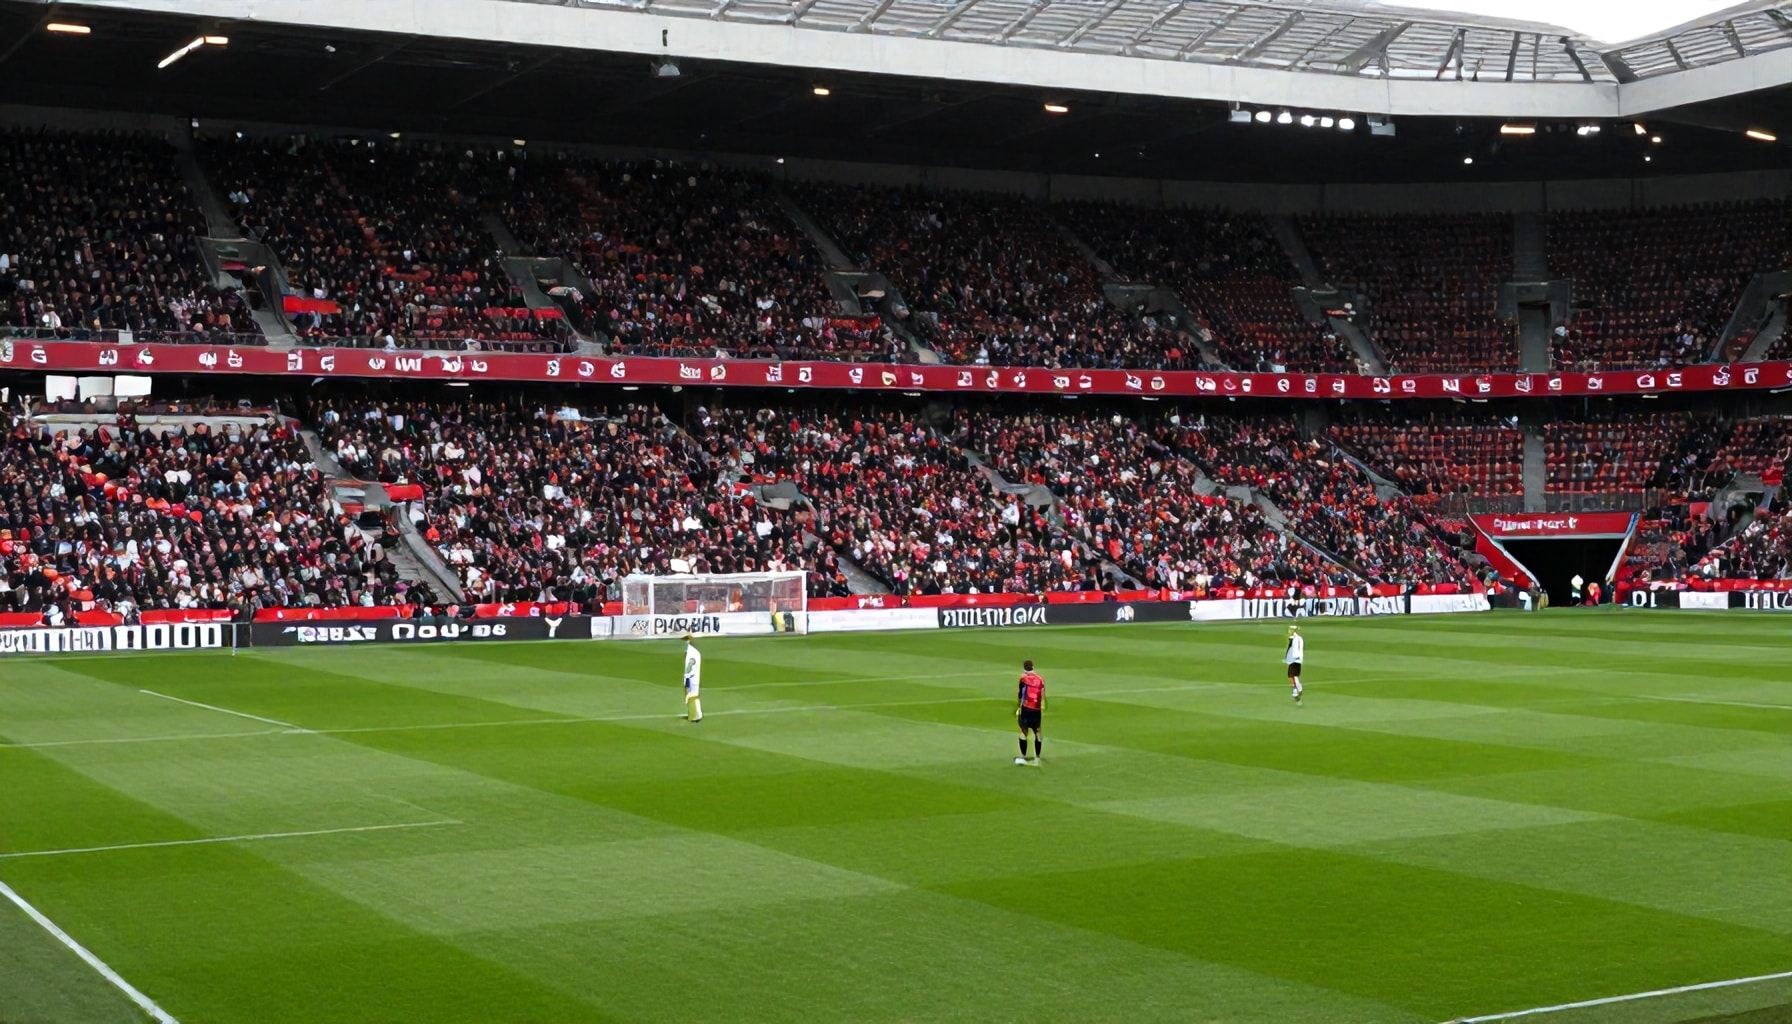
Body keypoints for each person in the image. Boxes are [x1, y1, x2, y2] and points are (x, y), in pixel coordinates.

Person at [1014, 659, 1044, 766]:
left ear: (1024, 668)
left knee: (1023, 732)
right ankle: (1038, 757)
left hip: (1026, 708)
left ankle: (1023, 756)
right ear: (1033, 667)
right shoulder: (1040, 679)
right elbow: (1043, 695)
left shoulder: (1023, 678)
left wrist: (1018, 707)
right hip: (1037, 709)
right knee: (1038, 733)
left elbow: (1020, 694)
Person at [681, 633, 703, 723]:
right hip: (693, 677)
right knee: (692, 695)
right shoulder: (694, 652)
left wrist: (687, 677)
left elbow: (690, 665)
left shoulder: (692, 653)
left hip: (691, 677)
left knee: (691, 695)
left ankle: (695, 716)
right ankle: (696, 714)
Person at [1285, 625, 1304, 704]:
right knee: (1293, 675)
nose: (1289, 631)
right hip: (1296, 659)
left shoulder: (1295, 639)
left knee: (1291, 675)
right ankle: (1298, 688)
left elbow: (1292, 647)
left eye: (1291, 630)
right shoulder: (1298, 638)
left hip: (1295, 659)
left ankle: (1296, 690)